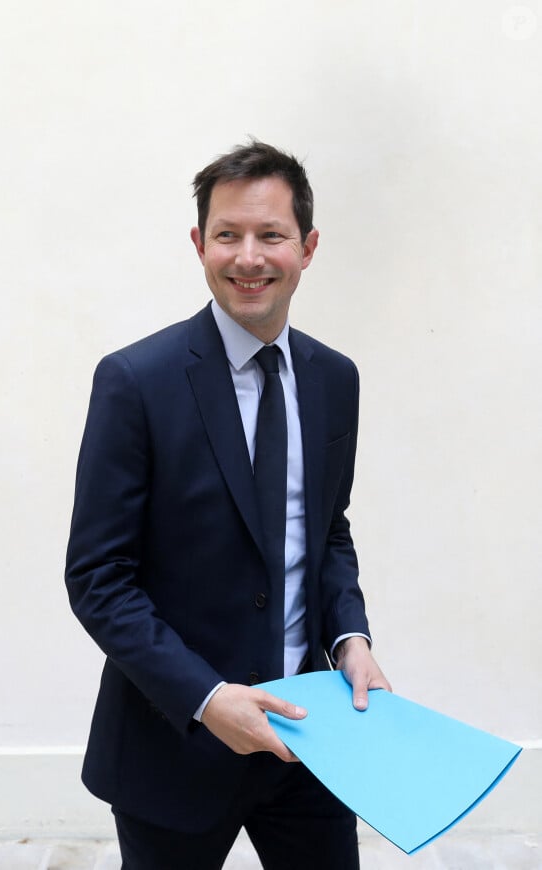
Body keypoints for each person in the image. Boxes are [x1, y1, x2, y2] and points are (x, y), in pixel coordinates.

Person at [65, 140, 391, 870]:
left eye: (271, 235)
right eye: (227, 235)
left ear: (306, 248)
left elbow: (326, 532)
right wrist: (210, 700)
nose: (249, 257)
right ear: (198, 244)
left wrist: (351, 640)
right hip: (173, 744)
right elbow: (98, 579)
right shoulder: (135, 382)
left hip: (310, 741)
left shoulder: (335, 379)